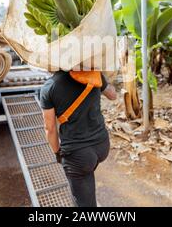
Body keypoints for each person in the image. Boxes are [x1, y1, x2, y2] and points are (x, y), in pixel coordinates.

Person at [39, 70, 117, 207]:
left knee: (84, 201)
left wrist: (57, 152)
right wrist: (104, 80)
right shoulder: (94, 74)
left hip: (78, 154)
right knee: (86, 177)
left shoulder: (49, 87)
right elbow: (113, 95)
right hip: (102, 145)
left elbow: (50, 128)